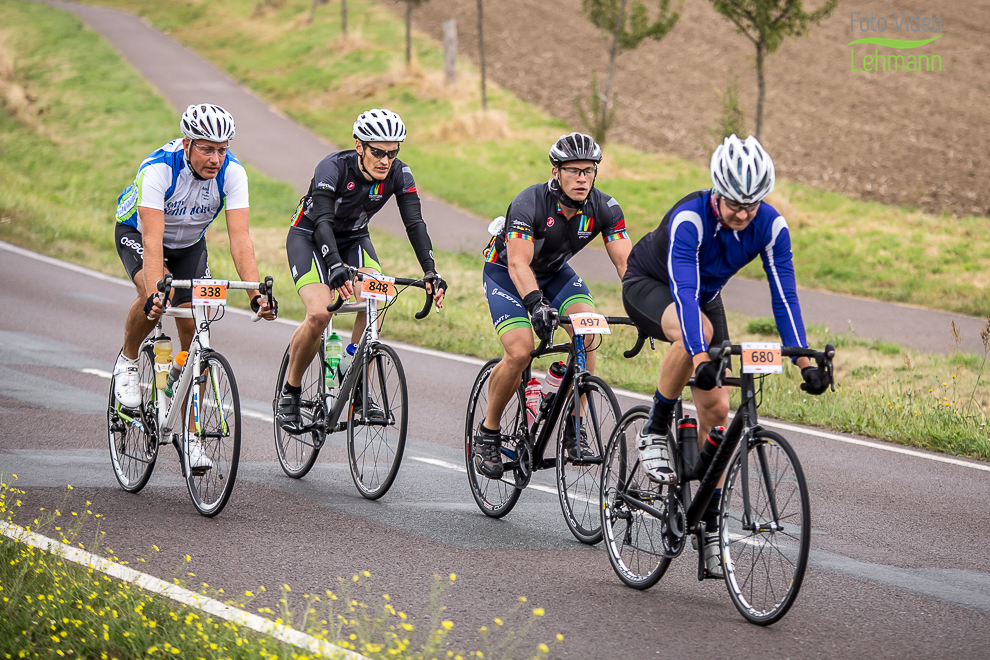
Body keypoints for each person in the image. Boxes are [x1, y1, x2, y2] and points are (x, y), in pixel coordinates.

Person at [621, 134, 831, 577]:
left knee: (718, 409)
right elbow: (683, 293)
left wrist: (805, 362)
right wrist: (701, 360)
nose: (742, 214)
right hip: (651, 284)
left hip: (705, 297)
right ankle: (656, 428)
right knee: (699, 334)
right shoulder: (689, 219)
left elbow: (785, 296)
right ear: (716, 190)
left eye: (751, 205)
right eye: (734, 203)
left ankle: (711, 525)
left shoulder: (770, 226)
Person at [112, 103, 278, 468]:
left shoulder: (233, 173)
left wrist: (255, 294)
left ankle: (188, 429)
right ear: (187, 143)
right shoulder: (157, 169)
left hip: (189, 246)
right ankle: (126, 361)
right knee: (157, 294)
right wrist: (157, 291)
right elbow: (153, 242)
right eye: (207, 148)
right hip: (139, 235)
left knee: (194, 330)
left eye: (222, 149)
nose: (216, 158)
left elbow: (240, 239)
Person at [474, 132, 632, 479]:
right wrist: (535, 305)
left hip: (555, 273)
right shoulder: (529, 203)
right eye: (573, 171)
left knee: (588, 330)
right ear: (555, 171)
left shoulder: (605, 208)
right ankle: (488, 431)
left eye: (588, 171)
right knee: (520, 351)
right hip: (507, 273)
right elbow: (517, 264)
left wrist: (645, 307)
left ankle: (574, 426)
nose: (581, 178)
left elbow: (627, 266)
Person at [277, 108, 445, 428]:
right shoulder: (332, 169)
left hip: (354, 238)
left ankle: (356, 380)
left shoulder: (399, 173)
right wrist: (334, 265)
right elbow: (323, 222)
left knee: (376, 296)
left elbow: (415, 223)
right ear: (359, 147)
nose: (386, 160)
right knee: (319, 314)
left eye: (393, 153)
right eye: (378, 152)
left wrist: (429, 270)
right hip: (310, 237)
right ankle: (291, 390)